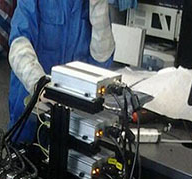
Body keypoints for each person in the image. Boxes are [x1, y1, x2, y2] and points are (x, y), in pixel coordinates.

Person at [8, 0, 116, 141]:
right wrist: (39, 83)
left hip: (75, 114)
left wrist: (99, 10)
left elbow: (102, 60)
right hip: (32, 107)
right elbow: (18, 45)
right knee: (23, 150)